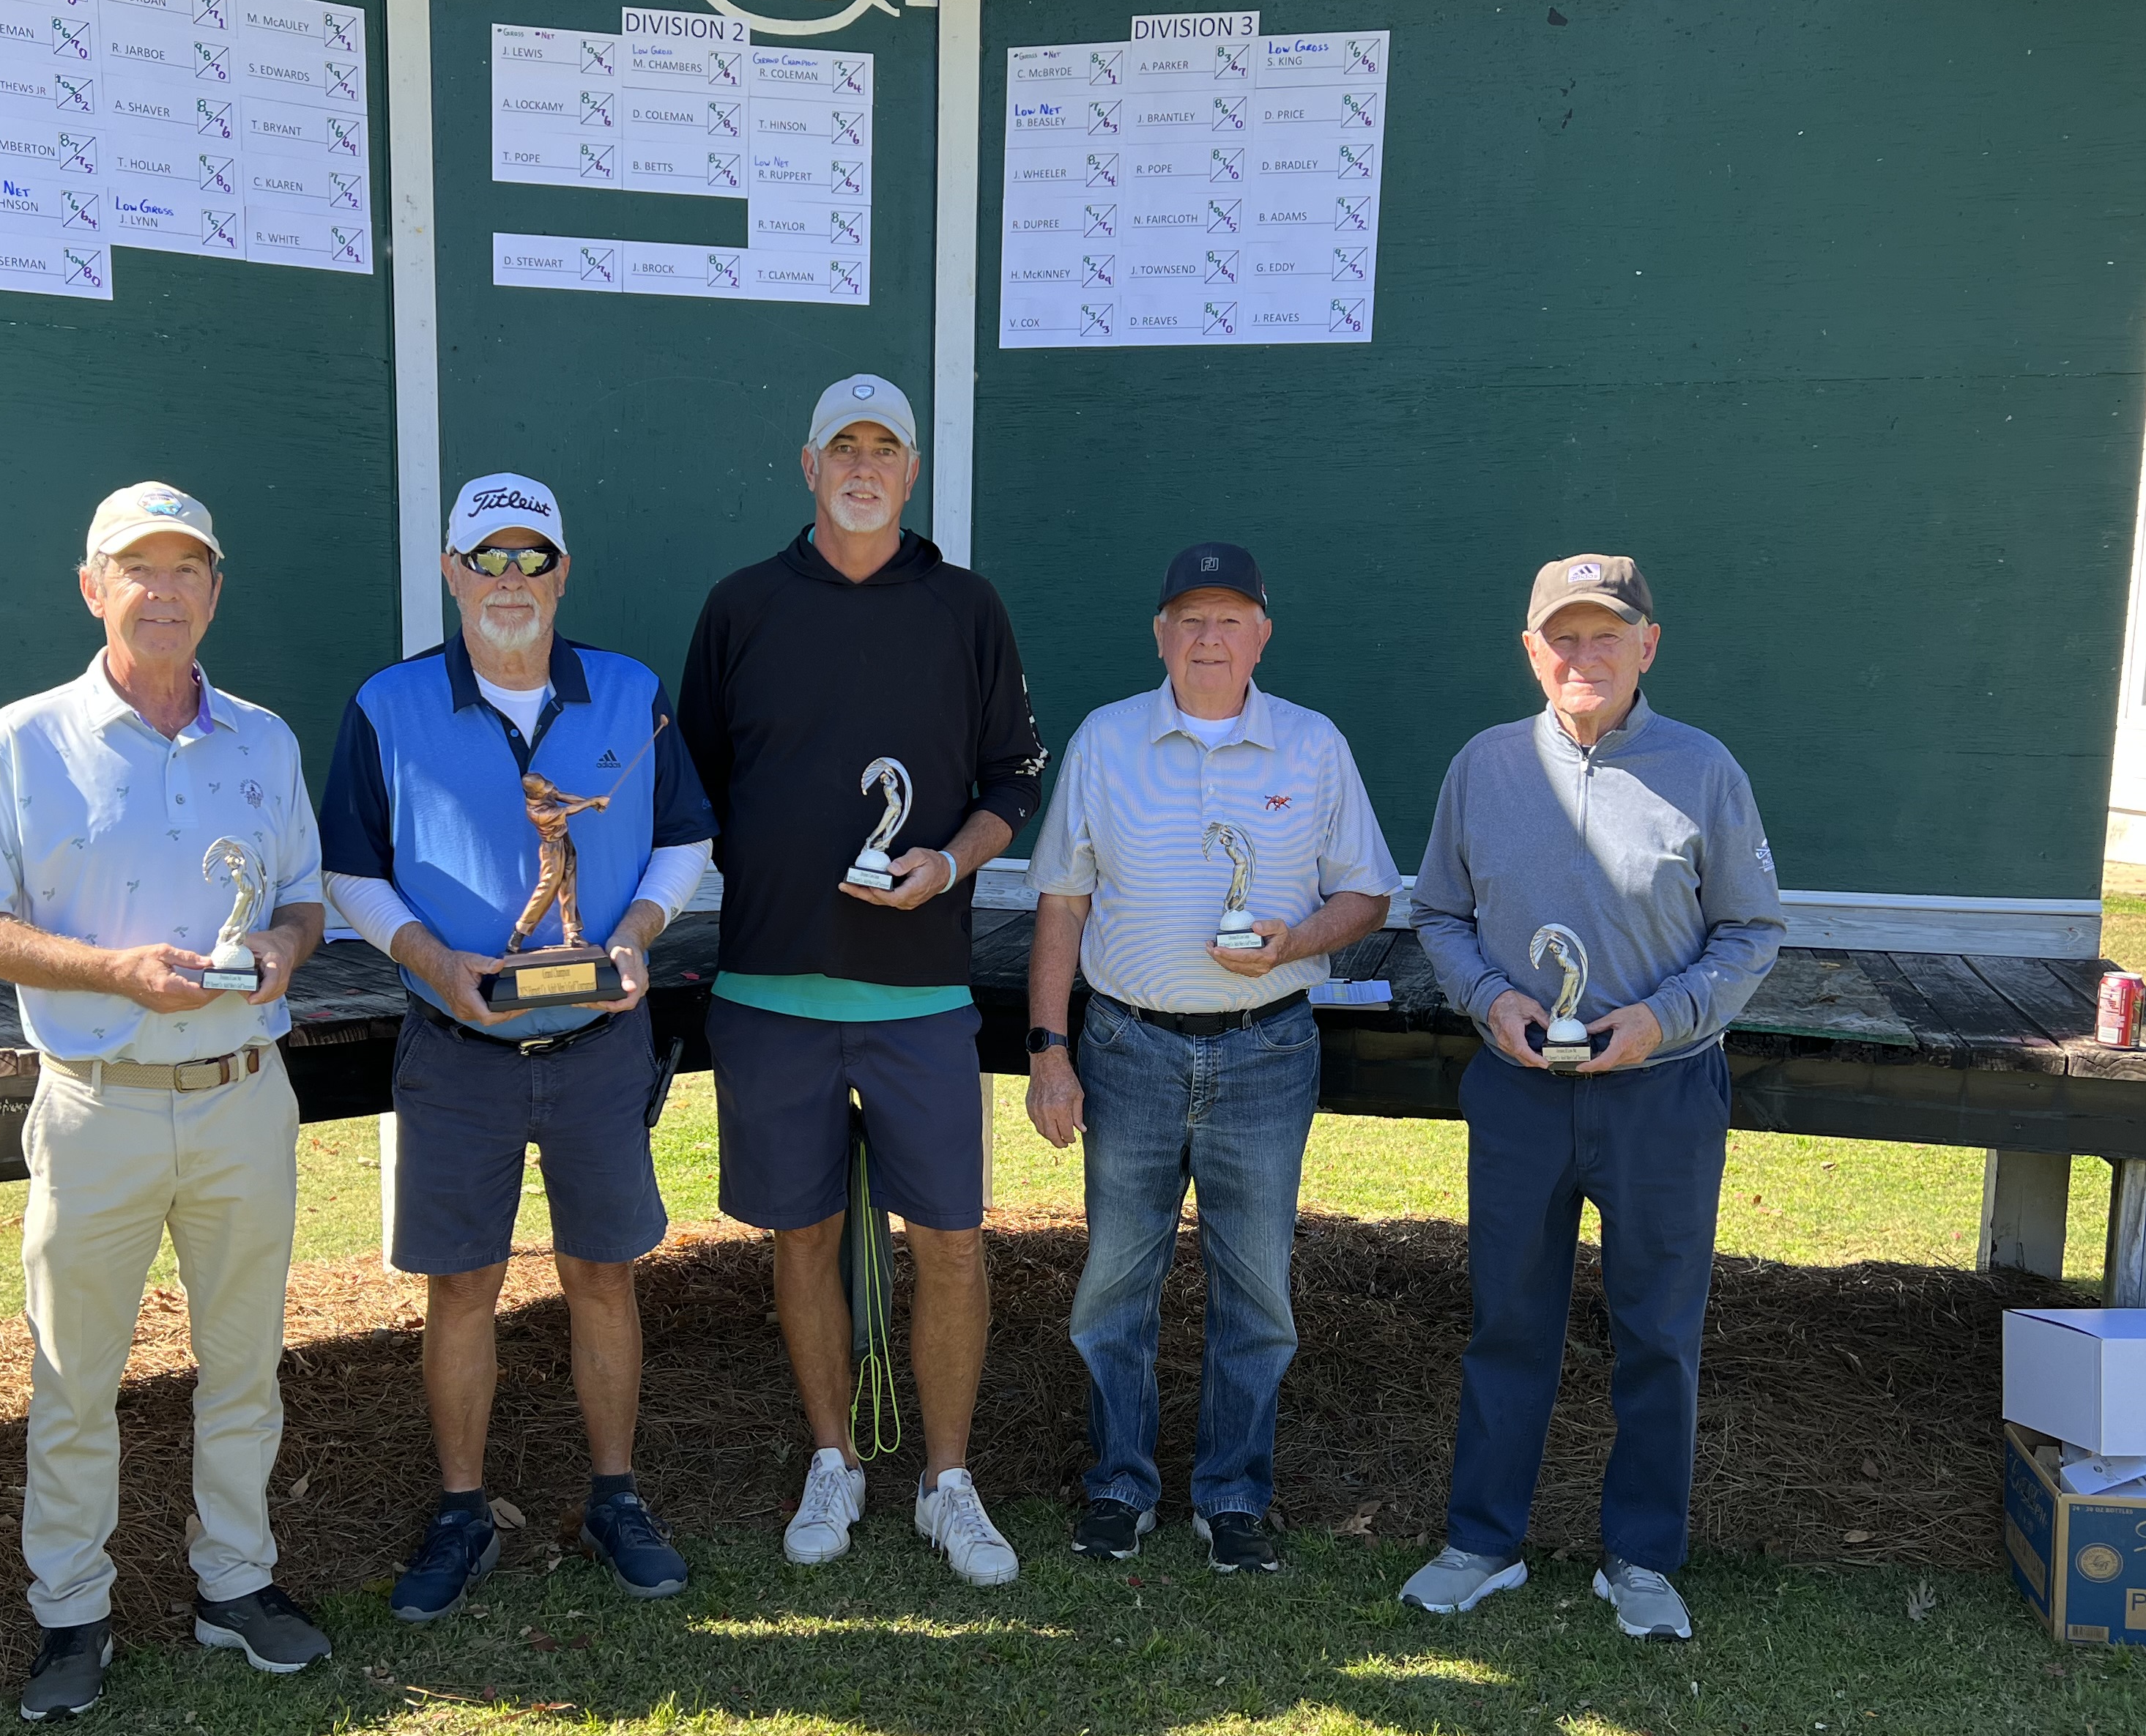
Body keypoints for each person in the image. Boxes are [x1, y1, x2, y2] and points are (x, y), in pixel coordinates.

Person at [0, 481, 331, 1723]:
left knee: (245, 1365)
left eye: (187, 571)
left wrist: (282, 950)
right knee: (76, 1375)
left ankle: (235, 1584)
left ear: (215, 591)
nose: (165, 594)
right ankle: (71, 1614)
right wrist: (112, 973)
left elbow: (306, 898)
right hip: (96, 1100)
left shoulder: (262, 739)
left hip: (242, 1094)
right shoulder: (23, 740)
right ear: (93, 587)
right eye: (138, 571)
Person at [319, 472, 715, 1620]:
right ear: (450, 573)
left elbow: (683, 836)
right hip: (457, 1048)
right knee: (462, 1286)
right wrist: (437, 966)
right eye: (485, 559)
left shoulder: (630, 694)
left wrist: (638, 933)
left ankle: (615, 1499)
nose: (509, 581)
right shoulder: (388, 707)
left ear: (562, 573)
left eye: (530, 558)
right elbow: (350, 866)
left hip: (595, 1049)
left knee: (604, 1274)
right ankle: (459, 1511)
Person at [676, 376, 1044, 1585]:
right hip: (773, 995)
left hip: (923, 997)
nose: (866, 464)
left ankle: (947, 1480)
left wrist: (948, 863)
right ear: (809, 463)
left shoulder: (966, 609)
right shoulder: (740, 608)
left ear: (914, 471)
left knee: (950, 1240)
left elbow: (1011, 782)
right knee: (803, 1237)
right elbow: (707, 787)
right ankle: (833, 1460)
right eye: (846, 444)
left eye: (888, 446)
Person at [1402, 554, 1783, 1641]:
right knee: (1508, 1322)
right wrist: (1489, 1001)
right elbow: (1438, 914)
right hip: (1521, 1091)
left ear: (1647, 646)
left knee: (1658, 1332)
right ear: (1532, 652)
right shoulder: (1483, 768)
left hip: (1660, 1095)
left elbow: (1752, 930)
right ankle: (1483, 1544)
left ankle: (1643, 1560)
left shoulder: (1704, 770)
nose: (1583, 655)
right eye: (1561, 637)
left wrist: (1661, 1020)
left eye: (1605, 634)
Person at [1023, 545, 1398, 1574]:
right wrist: (1050, 1049)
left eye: (1230, 618)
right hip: (1126, 1047)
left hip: (1265, 1051)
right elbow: (1061, 900)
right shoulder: (1106, 740)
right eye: (1188, 618)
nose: (1208, 638)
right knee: (1114, 1284)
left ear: (1262, 633)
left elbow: (1369, 895)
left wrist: (1295, 942)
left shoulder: (1314, 747)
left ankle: (1233, 1494)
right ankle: (1119, 1485)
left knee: (1257, 1290)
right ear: (1159, 634)